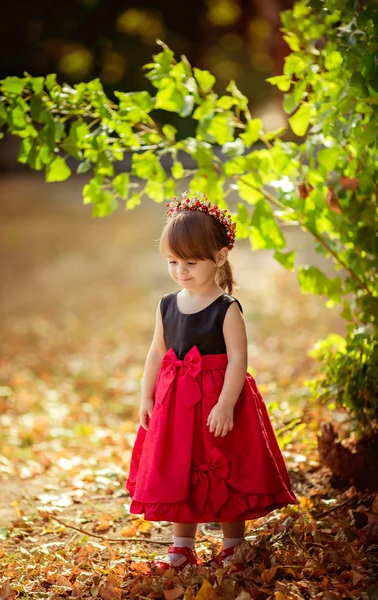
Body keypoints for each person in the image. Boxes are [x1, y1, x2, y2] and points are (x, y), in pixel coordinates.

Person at [126, 192, 298, 572]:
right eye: (173, 261)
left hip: (219, 400)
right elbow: (156, 352)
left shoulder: (227, 308)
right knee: (180, 467)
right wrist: (146, 396)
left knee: (227, 466)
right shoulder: (167, 304)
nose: (180, 271)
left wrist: (225, 403)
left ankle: (233, 543)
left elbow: (239, 359)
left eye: (190, 261)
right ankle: (182, 544)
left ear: (219, 257)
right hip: (175, 403)